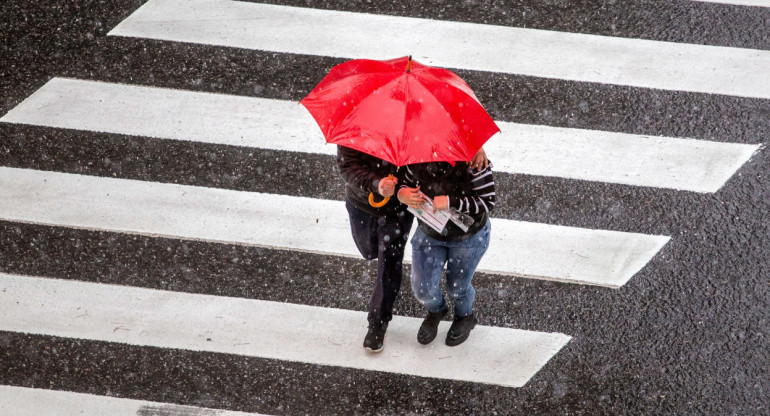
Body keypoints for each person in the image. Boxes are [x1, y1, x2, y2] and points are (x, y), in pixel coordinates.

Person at [338, 146, 489, 352]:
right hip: (379, 208)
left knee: (395, 262)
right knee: (379, 258)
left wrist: (475, 147)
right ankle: (436, 309)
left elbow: (487, 199)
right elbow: (348, 166)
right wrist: (387, 187)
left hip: (439, 225)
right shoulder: (358, 122)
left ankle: (380, 322)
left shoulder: (463, 157)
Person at [397, 159, 495, 346]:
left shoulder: (474, 159)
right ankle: (437, 310)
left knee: (458, 287)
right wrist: (402, 193)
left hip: (468, 236)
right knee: (422, 290)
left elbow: (487, 201)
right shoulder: (416, 155)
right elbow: (405, 182)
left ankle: (465, 316)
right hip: (429, 231)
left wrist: (452, 201)